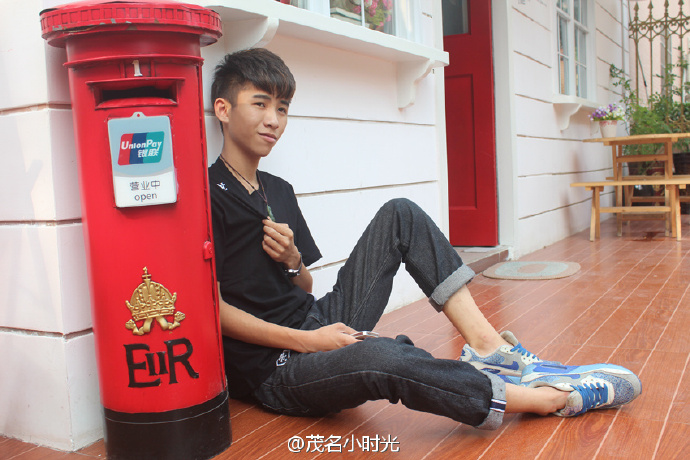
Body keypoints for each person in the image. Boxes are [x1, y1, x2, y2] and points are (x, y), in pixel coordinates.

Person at [208, 48, 641, 430]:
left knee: (401, 213)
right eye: (260, 103)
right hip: (276, 367)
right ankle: (548, 400)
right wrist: (309, 342)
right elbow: (213, 309)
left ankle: (490, 349)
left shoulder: (278, 189)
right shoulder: (205, 198)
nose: (274, 119)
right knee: (381, 358)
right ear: (223, 110)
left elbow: (303, 286)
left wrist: (292, 260)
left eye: (283, 108)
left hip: (318, 320)